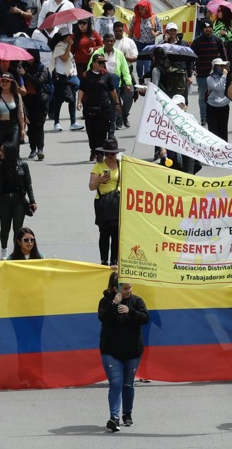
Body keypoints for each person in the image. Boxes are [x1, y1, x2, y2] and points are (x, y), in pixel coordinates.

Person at [98, 272, 149, 432]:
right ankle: (114, 417)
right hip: (111, 351)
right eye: (125, 288)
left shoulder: (136, 300)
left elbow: (145, 318)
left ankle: (127, 414)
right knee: (115, 384)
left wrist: (130, 311)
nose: (129, 290)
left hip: (132, 351)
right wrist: (114, 305)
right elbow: (102, 318)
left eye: (130, 287)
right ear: (115, 289)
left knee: (128, 385)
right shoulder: (105, 301)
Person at [0, 142, 36, 260]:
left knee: (18, 228)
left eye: (2, 151)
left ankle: (16, 252)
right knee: (4, 227)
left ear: (9, 152)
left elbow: (28, 184)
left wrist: (32, 201)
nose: (0, 153)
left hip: (19, 201)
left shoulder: (23, 165)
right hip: (4, 200)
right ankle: (3, 251)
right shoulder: (0, 166)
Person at [89, 140, 122, 266]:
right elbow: (91, 187)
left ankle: (114, 260)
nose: (109, 156)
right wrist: (99, 180)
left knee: (116, 233)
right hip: (102, 202)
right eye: (107, 154)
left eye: (112, 154)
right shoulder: (98, 166)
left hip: (117, 202)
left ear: (116, 154)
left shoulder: (122, 166)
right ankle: (103, 260)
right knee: (104, 233)